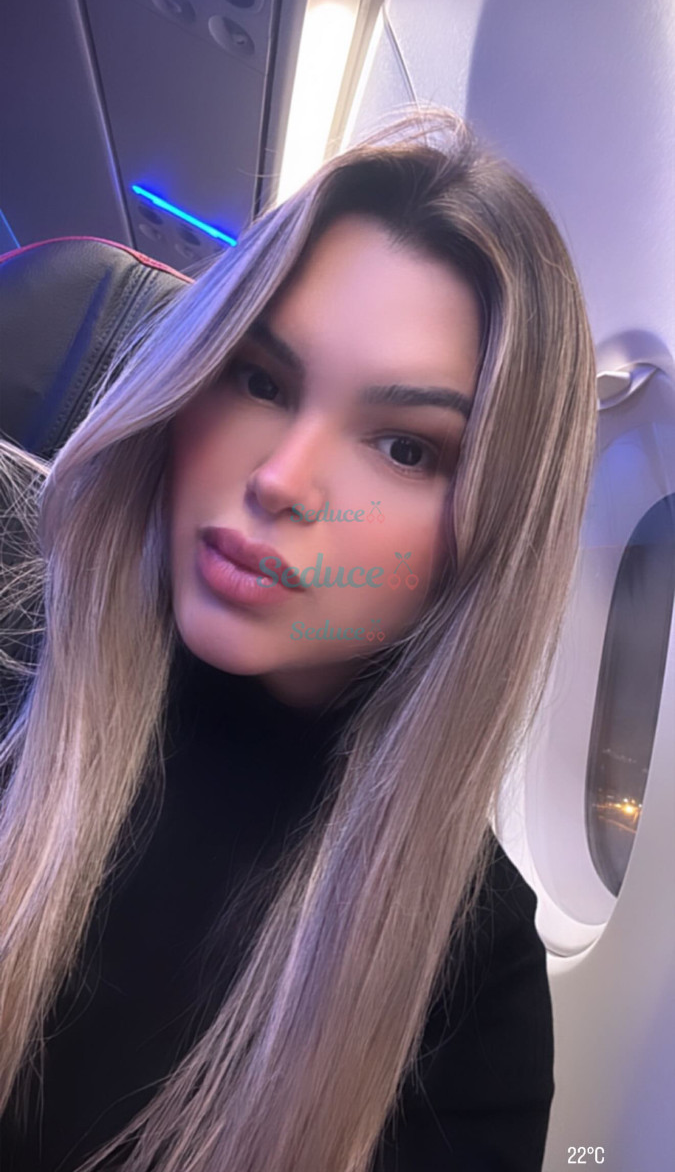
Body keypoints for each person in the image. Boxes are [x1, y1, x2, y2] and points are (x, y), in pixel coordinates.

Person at [0, 105, 597, 1172]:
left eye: (405, 448)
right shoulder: (19, 661)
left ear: (491, 534)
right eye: (262, 382)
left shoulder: (473, 975)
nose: (281, 479)